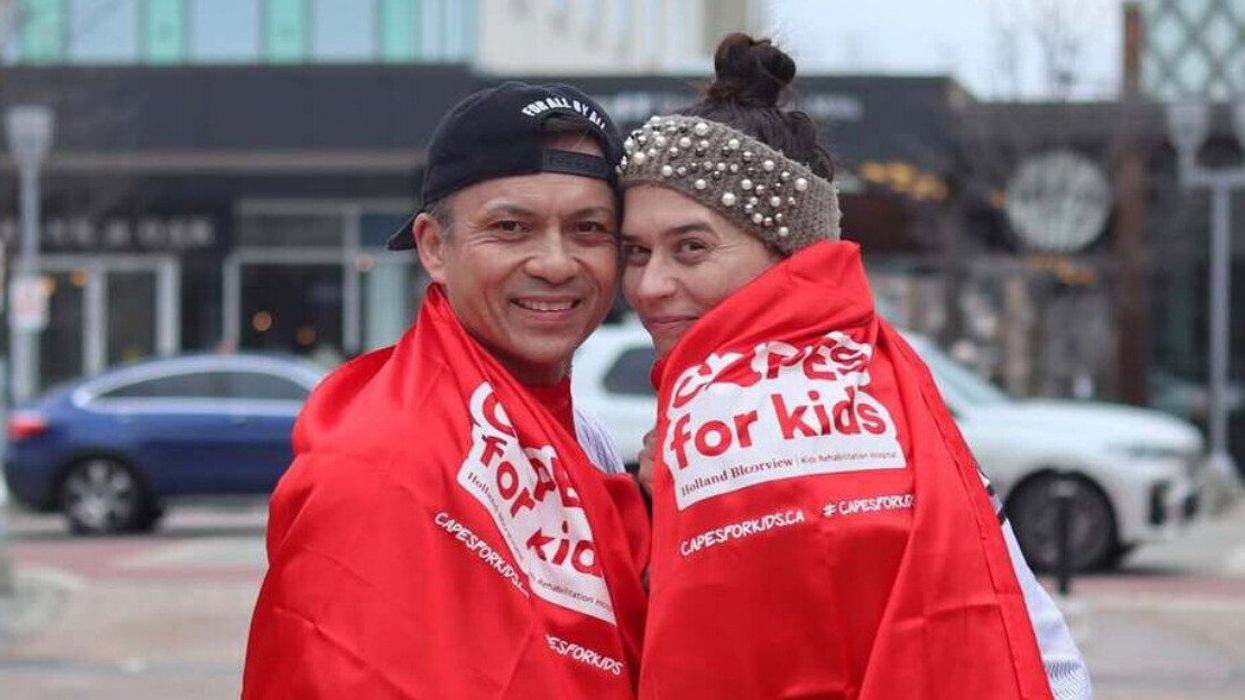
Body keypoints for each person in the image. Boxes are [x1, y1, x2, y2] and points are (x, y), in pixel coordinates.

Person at [618, 34, 1091, 699]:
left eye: (690, 248)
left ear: (790, 252)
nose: (648, 285)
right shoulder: (886, 381)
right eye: (635, 252)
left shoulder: (741, 437)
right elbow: (1044, 651)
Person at [242, 82, 649, 699]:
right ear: (434, 247)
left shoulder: (580, 435)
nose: (556, 263)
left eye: (588, 229)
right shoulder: (383, 456)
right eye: (511, 227)